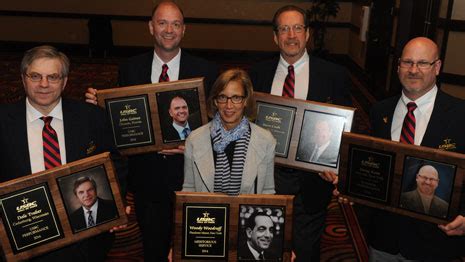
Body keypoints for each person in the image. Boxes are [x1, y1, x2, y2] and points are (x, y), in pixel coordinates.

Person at [85, 1, 218, 260]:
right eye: (162, 23)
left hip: (192, 176)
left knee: (196, 250)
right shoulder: (130, 68)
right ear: (150, 27)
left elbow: (220, 122)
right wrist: (100, 105)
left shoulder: (206, 71)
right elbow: (124, 123)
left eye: (176, 24)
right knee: (153, 250)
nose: (169, 30)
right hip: (148, 178)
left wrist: (194, 145)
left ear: (184, 29)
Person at [0, 45, 127, 261]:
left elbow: (117, 164)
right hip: (22, 239)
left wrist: (114, 205)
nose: (44, 84)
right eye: (35, 76)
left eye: (53, 77)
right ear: (23, 79)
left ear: (65, 81)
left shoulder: (92, 117)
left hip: (85, 241)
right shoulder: (2, 121)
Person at [249, 5, 351, 261]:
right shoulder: (257, 73)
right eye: (284, 29)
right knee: (264, 250)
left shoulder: (333, 75)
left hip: (312, 183)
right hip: (267, 179)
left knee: (306, 253)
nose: (291, 35)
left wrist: (338, 166)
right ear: (275, 37)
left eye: (297, 28)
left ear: (307, 34)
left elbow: (345, 130)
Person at [368, 36, 465, 260]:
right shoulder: (379, 110)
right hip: (384, 240)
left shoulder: (461, 115)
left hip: (436, 243)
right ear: (398, 66)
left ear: (437, 67)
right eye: (407, 62)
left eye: (423, 63)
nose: (413, 70)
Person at [183, 69, 276, 195]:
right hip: (207, 214)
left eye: (236, 97)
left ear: (246, 101)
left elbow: (268, 192)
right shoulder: (194, 139)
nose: (229, 105)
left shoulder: (265, 140)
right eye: (222, 97)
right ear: (215, 101)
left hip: (247, 214)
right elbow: (188, 189)